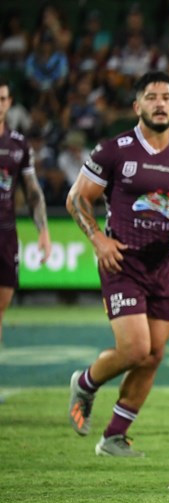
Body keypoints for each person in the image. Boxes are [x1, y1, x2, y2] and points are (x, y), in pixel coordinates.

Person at [65, 71, 169, 457]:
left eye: (167, 96)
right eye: (152, 97)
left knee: (154, 354)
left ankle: (114, 436)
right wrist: (97, 239)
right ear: (137, 106)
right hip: (122, 261)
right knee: (134, 349)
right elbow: (76, 199)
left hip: (161, 265)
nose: (160, 103)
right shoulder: (114, 150)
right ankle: (85, 382)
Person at [0, 79, 51, 344]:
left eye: (2, 99)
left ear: (8, 103)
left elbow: (32, 192)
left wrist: (43, 231)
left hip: (6, 235)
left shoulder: (19, 145)